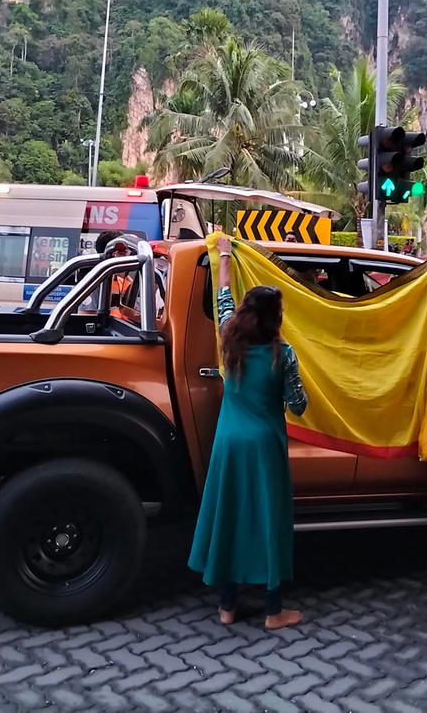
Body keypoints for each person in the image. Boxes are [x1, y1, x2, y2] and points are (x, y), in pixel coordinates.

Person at [188, 235, 308, 630]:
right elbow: (299, 404)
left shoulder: (228, 341)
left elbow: (223, 296)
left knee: (231, 517)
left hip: (228, 444)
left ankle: (227, 607)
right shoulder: (282, 353)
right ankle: (274, 611)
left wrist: (225, 256)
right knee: (268, 520)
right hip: (264, 446)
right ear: (276, 317)